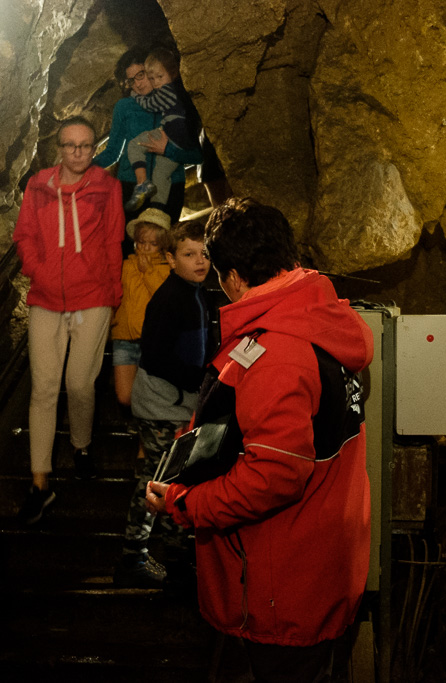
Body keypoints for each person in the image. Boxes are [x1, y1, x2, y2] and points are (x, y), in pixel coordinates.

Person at [146, 199, 373, 681]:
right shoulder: (316, 323)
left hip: (278, 594)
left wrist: (186, 503)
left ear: (231, 277)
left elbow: (273, 476)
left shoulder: (279, 352)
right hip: (309, 572)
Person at [13, 116, 124, 525]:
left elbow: (113, 240)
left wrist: (113, 294)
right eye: (70, 145)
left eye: (85, 145)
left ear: (93, 148)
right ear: (58, 148)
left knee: (79, 382)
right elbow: (24, 234)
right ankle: (39, 482)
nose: (78, 152)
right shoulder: (38, 186)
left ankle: (81, 445)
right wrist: (36, 268)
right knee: (43, 388)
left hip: (92, 296)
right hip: (45, 298)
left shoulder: (107, 187)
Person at [115, 219, 212, 589]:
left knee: (160, 480)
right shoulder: (173, 298)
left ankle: (145, 555)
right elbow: (155, 356)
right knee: (166, 483)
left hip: (174, 403)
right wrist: (197, 380)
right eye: (189, 254)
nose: (199, 261)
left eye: (204, 254)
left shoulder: (195, 293)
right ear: (170, 259)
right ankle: (162, 558)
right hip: (162, 406)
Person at [94, 48, 201, 226]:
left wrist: (167, 150)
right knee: (127, 248)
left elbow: (196, 155)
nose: (138, 84)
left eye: (141, 75)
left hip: (170, 187)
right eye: (131, 80)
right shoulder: (124, 107)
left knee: (163, 247)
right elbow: (112, 152)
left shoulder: (176, 103)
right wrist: (82, 168)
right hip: (130, 187)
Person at [109, 207, 172, 422]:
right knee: (125, 396)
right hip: (124, 338)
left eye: (153, 244)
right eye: (142, 242)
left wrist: (148, 273)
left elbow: (164, 299)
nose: (146, 248)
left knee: (153, 394)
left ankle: (145, 441)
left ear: (163, 246)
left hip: (152, 341)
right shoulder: (125, 265)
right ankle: (143, 426)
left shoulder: (167, 270)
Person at [124, 47, 203, 213]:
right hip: (175, 138)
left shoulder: (167, 91)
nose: (157, 82)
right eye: (152, 78)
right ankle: (156, 208)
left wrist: (135, 95)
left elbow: (150, 104)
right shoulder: (177, 91)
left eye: (160, 77)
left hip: (172, 136)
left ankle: (143, 185)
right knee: (161, 174)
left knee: (134, 145)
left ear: (173, 73)